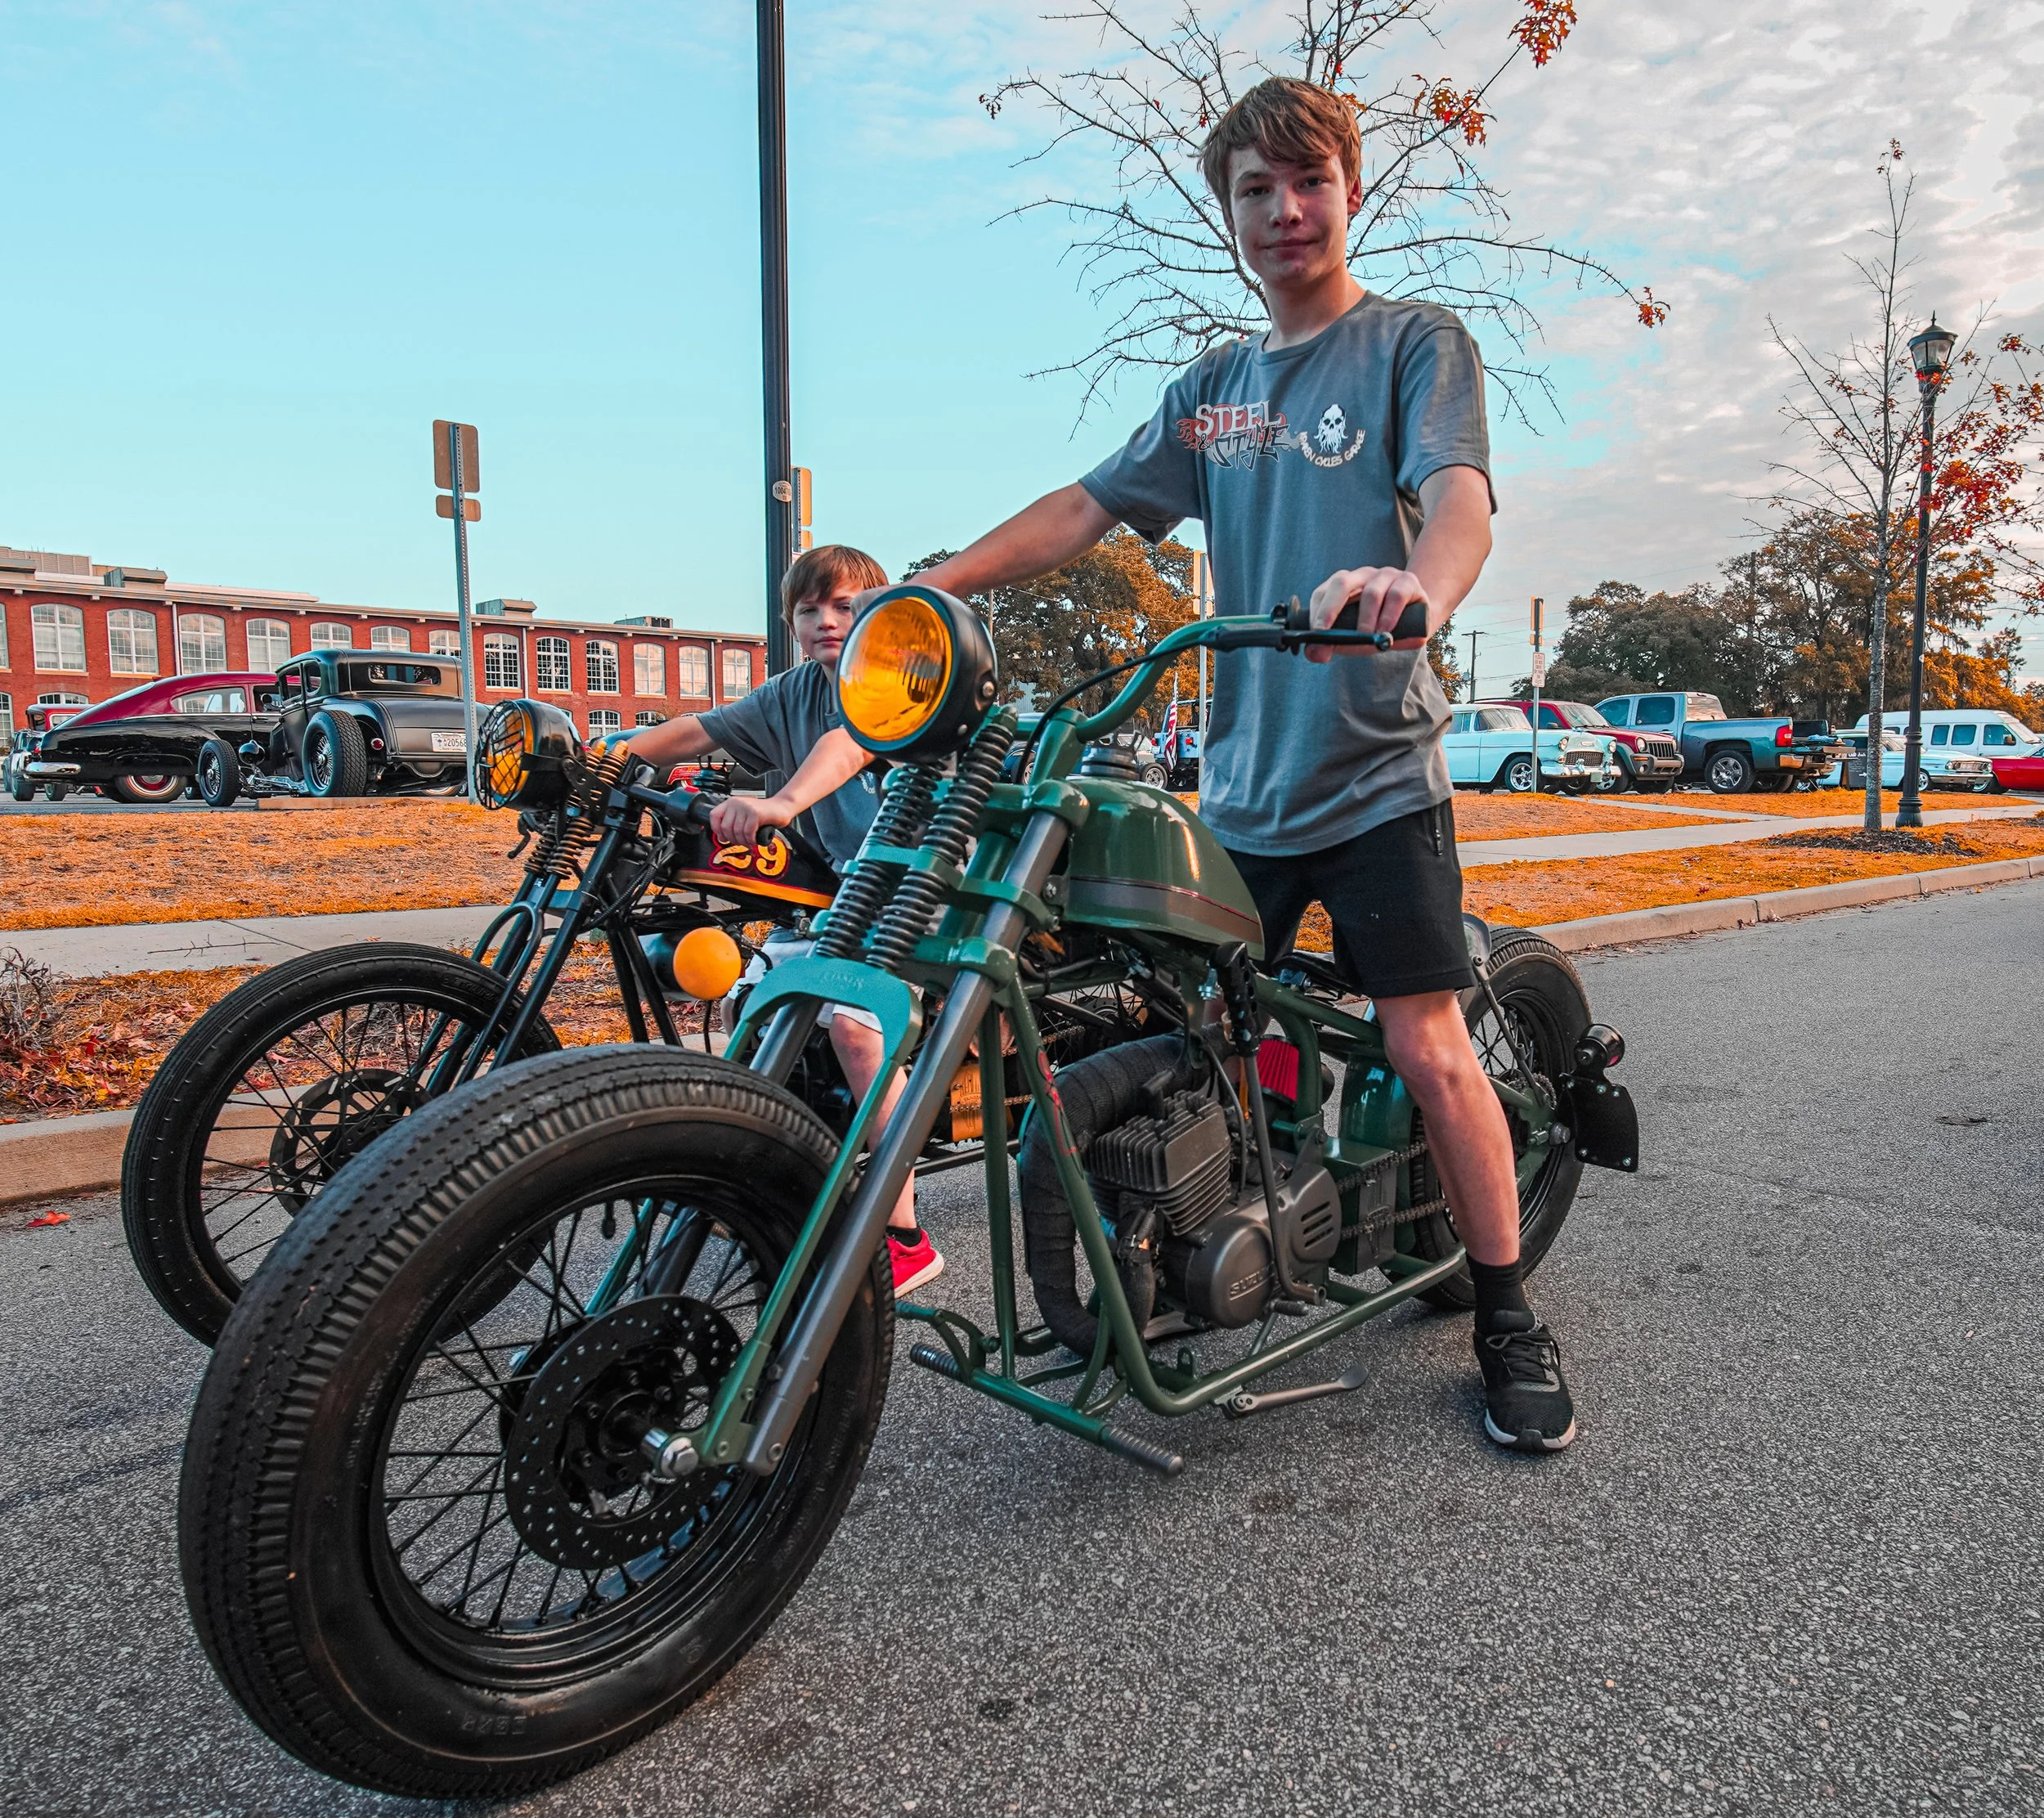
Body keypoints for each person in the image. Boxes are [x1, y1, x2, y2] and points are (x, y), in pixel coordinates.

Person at [908, 78, 1573, 1450]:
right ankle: (1223, 1247)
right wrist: (943, 578)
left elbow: (1459, 500)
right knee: (1188, 1049)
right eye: (1255, 191)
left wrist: (1418, 588)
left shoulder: (1411, 342)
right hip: (1243, 801)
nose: (1285, 211)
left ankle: (1508, 1311)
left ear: (1351, 189)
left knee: (1424, 1040)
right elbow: (1090, 504)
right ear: (1225, 214)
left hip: (1379, 773)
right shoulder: (1210, 393)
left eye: (1308, 180)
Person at [611, 543, 943, 1297]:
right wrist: (595, 757)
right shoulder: (793, 691)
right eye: (809, 609)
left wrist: (781, 801)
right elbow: (697, 729)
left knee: (856, 1024)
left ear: (880, 614)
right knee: (753, 995)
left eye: (845, 606)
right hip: (853, 893)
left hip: (931, 888)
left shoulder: (903, 680)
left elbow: (851, 741)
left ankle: (904, 1235)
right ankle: (764, 1173)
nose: (827, 621)